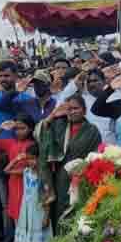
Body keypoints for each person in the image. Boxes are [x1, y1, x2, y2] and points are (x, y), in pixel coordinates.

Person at [38, 94, 102, 234]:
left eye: (76, 108)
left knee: (78, 212)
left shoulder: (92, 131)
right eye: (69, 109)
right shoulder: (59, 126)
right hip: (59, 177)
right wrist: (53, 115)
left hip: (81, 179)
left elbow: (96, 157)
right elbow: (40, 134)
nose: (72, 112)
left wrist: (81, 170)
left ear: (84, 110)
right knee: (59, 210)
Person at [0, 114, 37, 242]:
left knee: (29, 222)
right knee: (17, 222)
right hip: (14, 187)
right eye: (16, 129)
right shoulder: (11, 143)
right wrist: (0, 128)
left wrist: (18, 171)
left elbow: (35, 166)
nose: (18, 131)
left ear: (30, 129)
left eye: (22, 128)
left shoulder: (34, 144)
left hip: (29, 187)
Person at [12, 141, 53, 242]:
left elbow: (49, 196)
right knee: (28, 239)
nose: (30, 161)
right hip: (27, 211)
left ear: (39, 158)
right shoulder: (26, 172)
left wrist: (46, 216)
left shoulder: (43, 174)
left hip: (39, 211)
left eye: (33, 158)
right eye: (28, 158)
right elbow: (6, 170)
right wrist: (17, 159)